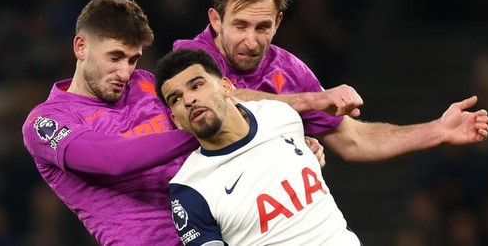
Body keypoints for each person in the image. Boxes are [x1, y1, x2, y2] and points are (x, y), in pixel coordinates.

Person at [21, 0, 330, 246]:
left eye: (133, 59)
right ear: (81, 47)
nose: (125, 72)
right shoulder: (47, 121)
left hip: (228, 229)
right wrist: (207, 127)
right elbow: (112, 159)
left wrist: (279, 143)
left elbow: (218, 106)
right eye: (115, 57)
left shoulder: (145, 84)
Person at [173, 0, 488, 162]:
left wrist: (437, 130)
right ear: (216, 20)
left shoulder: (290, 70)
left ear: (278, 23)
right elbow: (219, 100)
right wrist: (310, 103)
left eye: (263, 27)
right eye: (240, 26)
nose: (252, 40)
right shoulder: (189, 57)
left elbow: (354, 140)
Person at [154, 48, 364, 245]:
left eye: (197, 85)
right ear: (176, 120)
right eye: (176, 99)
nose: (189, 99)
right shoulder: (189, 189)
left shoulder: (280, 115)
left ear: (226, 87)